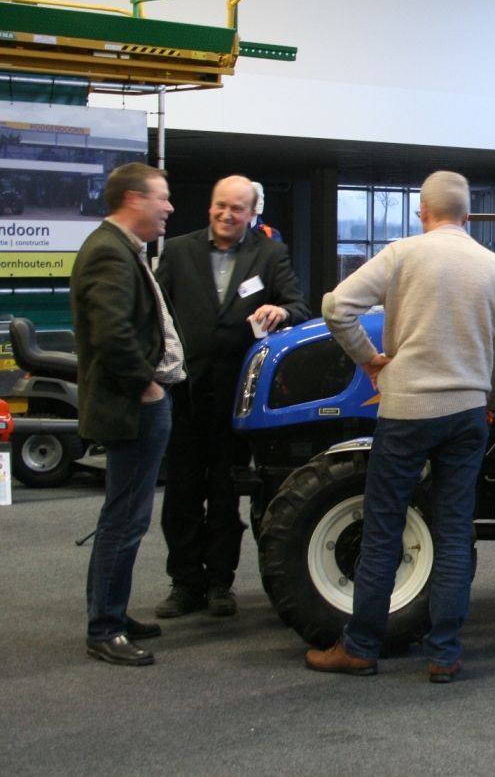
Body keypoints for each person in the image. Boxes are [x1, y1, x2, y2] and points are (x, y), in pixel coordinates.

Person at [306, 170, 495, 682]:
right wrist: (490, 399)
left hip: (406, 412)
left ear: (422, 212)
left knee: (383, 529)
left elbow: (336, 306)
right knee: (454, 531)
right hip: (466, 414)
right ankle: (444, 654)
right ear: (468, 215)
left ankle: (360, 647)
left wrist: (368, 359)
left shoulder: (401, 254)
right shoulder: (494, 267)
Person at [153, 175, 309, 618]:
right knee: (182, 493)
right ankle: (185, 583)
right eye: (220, 205)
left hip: (239, 398)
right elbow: (155, 312)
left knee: (225, 493)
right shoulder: (178, 251)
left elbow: (300, 307)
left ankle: (221, 583)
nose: (226, 214)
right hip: (184, 393)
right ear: (210, 207)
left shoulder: (270, 254)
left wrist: (282, 310)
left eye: (237, 208)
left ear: (252, 213)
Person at [71, 162, 185, 666]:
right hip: (132, 406)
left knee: (122, 514)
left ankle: (109, 611)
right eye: (162, 197)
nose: (169, 208)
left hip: (133, 404)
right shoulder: (108, 252)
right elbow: (112, 333)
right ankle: (105, 628)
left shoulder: (118, 248)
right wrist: (147, 386)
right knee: (125, 518)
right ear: (134, 199)